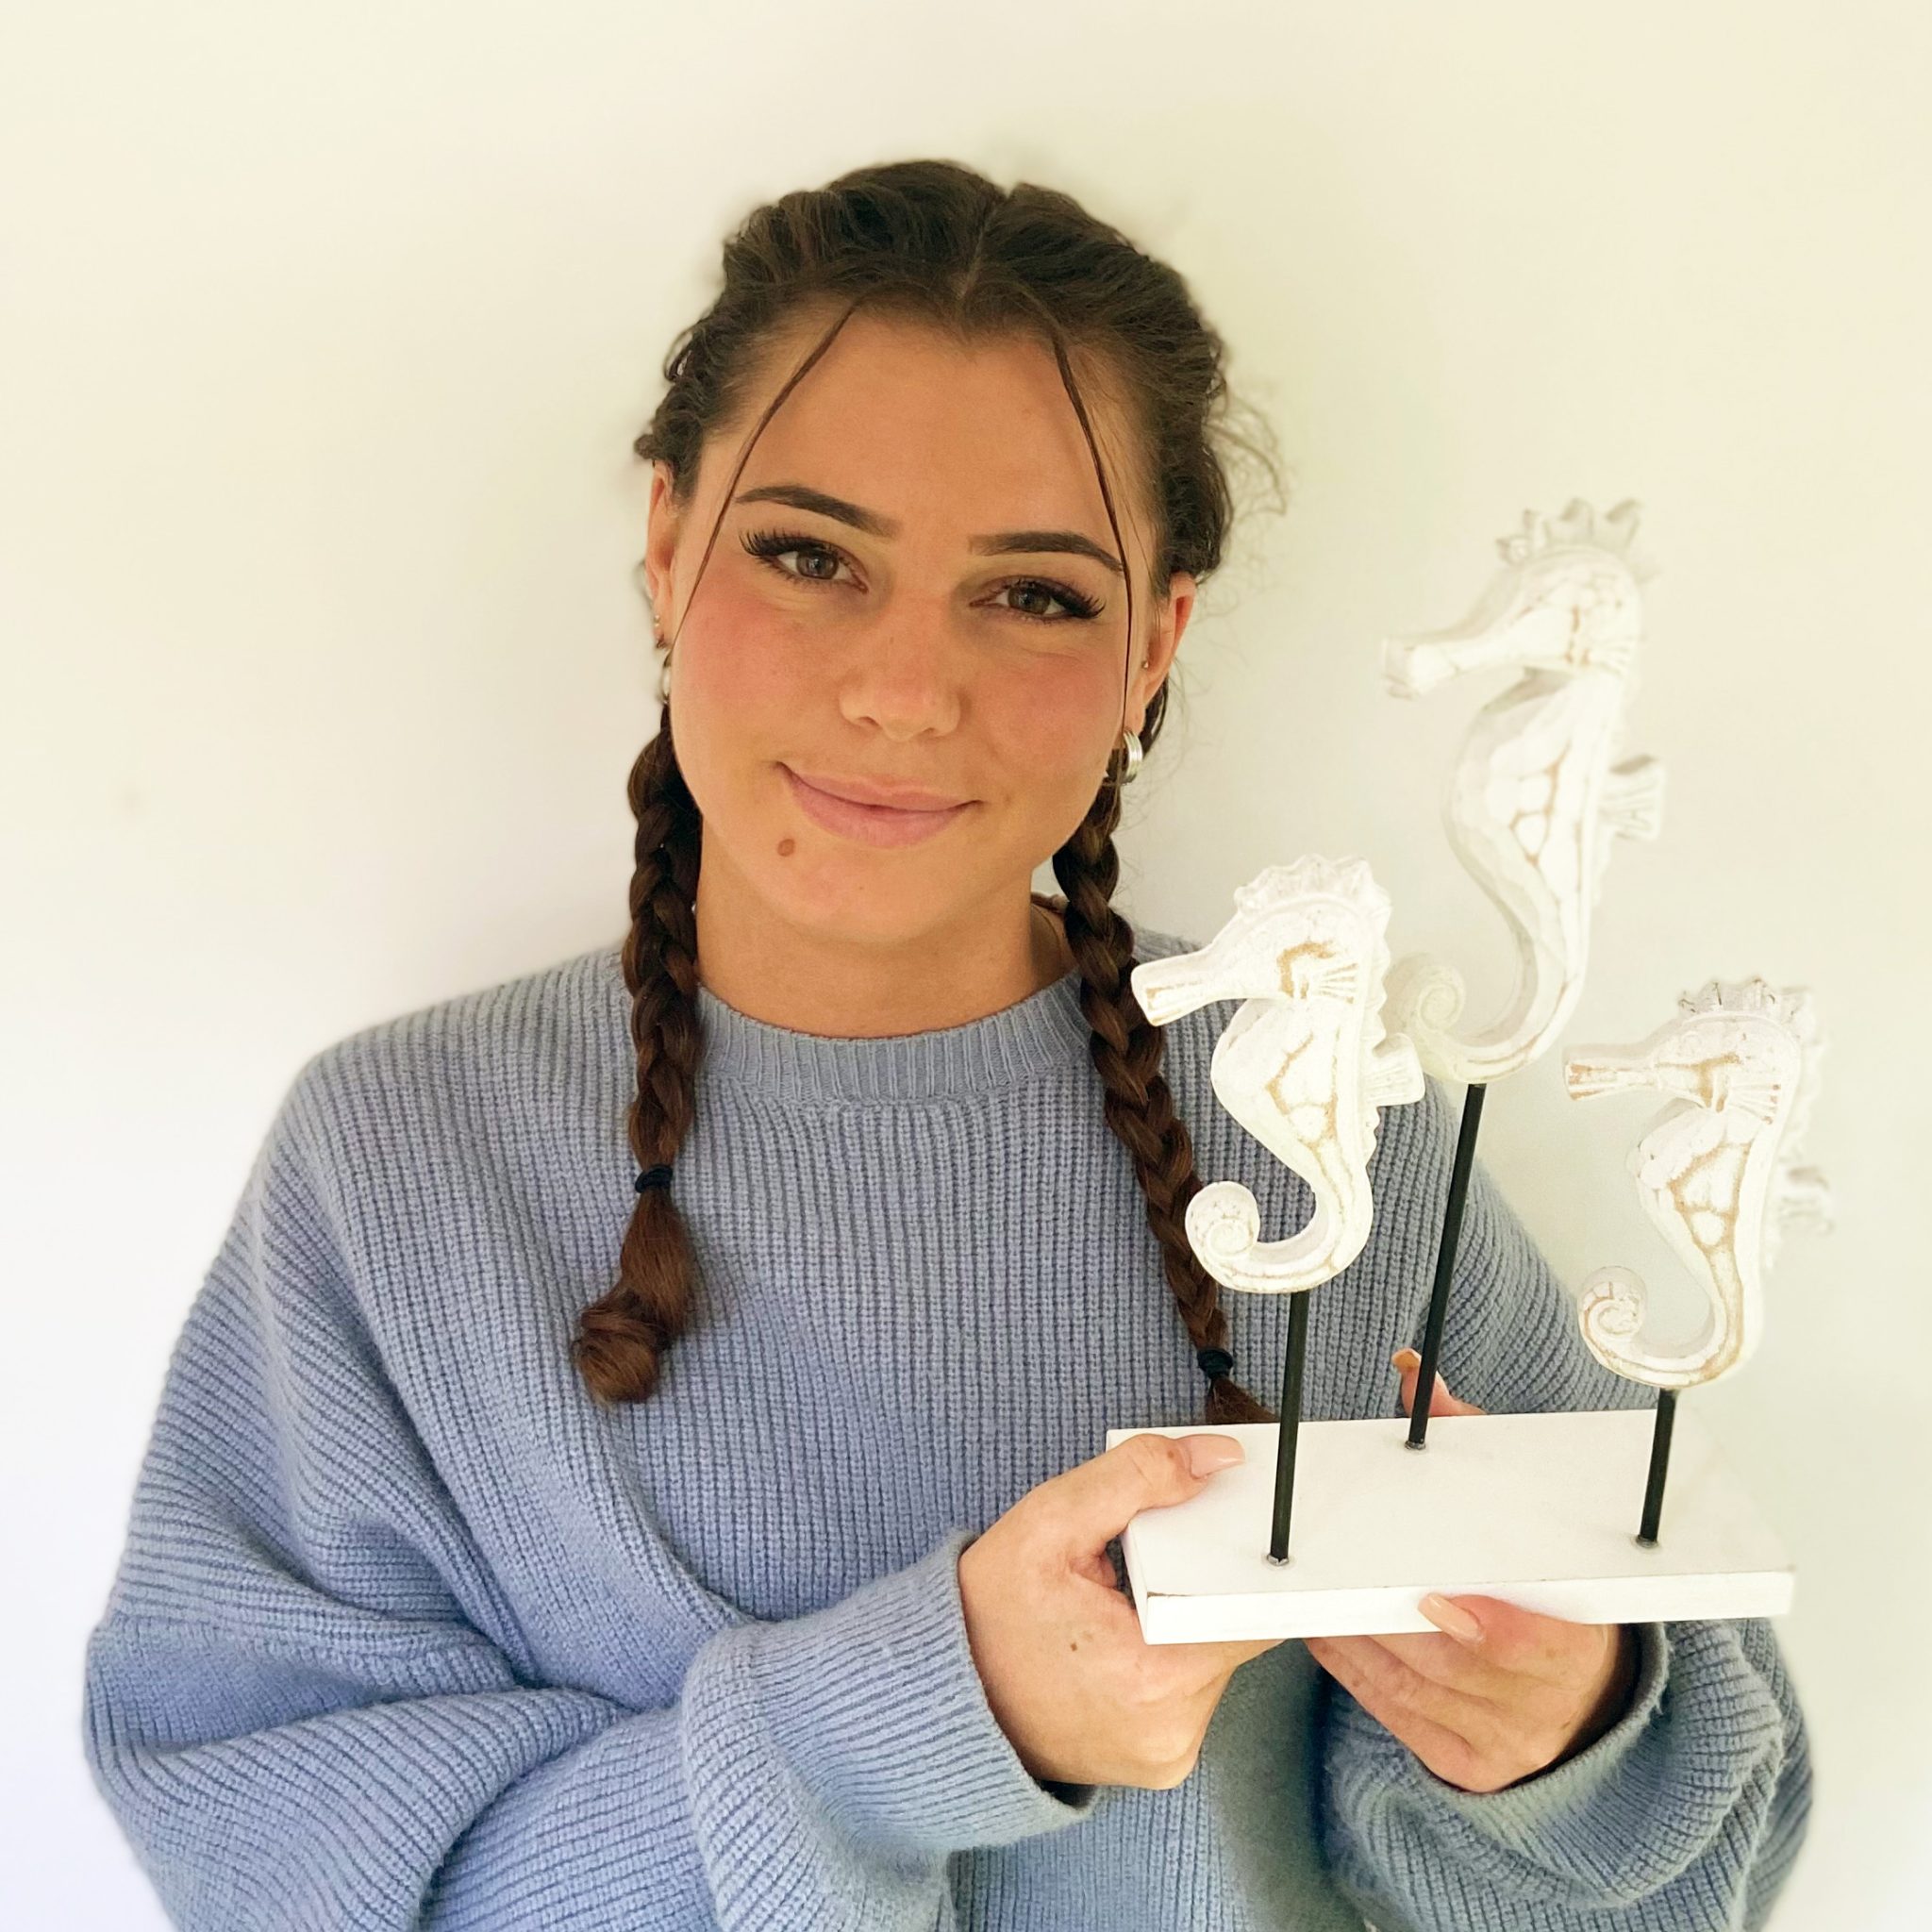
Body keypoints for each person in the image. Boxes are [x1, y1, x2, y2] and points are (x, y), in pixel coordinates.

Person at [81, 158, 1810, 1931]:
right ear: (668, 544)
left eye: (1035, 594)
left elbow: (1701, 1858)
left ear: (1157, 642)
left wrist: (1560, 1742)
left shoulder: (1320, 1110)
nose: (905, 691)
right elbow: (291, 1875)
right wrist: (923, 1718)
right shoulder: (399, 1164)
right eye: (808, 556)